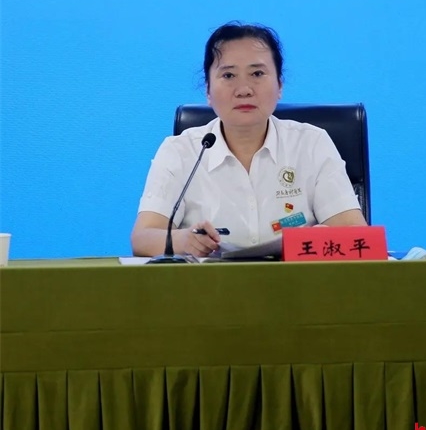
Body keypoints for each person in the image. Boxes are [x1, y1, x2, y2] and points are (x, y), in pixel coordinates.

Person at [131, 22, 367, 258]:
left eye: (257, 74)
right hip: (210, 281)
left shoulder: (312, 144)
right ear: (208, 91)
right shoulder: (179, 151)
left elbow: (355, 234)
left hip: (296, 280)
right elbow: (143, 238)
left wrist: (317, 238)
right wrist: (184, 240)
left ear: (280, 85)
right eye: (228, 75)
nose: (244, 89)